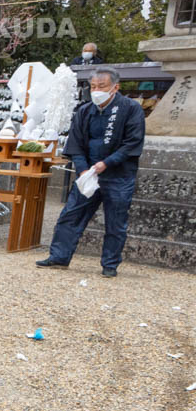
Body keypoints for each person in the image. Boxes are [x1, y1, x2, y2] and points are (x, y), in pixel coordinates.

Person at [36, 68, 145, 277]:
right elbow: (75, 144)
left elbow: (132, 143)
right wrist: (83, 168)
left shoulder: (131, 109)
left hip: (118, 175)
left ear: (115, 87)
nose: (96, 91)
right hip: (89, 174)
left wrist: (107, 163)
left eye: (102, 86)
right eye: (93, 86)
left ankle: (110, 264)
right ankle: (59, 256)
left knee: (116, 221)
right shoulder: (85, 111)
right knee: (71, 214)